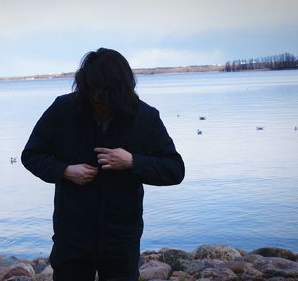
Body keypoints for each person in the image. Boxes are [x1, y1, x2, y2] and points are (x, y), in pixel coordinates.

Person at [21, 48, 184, 281]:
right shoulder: (63, 110)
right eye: (92, 92)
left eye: (103, 94)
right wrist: (65, 171)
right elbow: (32, 154)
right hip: (72, 234)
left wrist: (132, 162)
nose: (97, 100)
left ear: (121, 89)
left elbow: (175, 169)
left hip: (121, 236)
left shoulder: (144, 117)